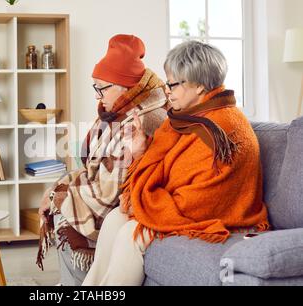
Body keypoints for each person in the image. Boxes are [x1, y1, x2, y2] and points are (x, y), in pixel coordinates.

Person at [82, 40, 270, 286]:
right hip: (179, 201)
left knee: (131, 234)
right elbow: (167, 172)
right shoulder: (184, 118)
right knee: (115, 218)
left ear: (200, 86)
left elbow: (202, 200)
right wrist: (140, 151)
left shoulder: (223, 128)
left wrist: (145, 202)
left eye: (173, 83)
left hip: (219, 216)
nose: (167, 90)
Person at [36, 34, 169, 283]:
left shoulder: (145, 121)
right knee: (61, 205)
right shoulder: (116, 113)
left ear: (125, 86)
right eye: (94, 87)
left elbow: (111, 192)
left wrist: (58, 195)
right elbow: (92, 169)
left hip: (124, 203)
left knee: (64, 218)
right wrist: (57, 188)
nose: (97, 96)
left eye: (101, 88)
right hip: (111, 197)